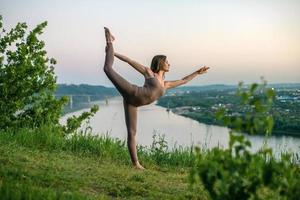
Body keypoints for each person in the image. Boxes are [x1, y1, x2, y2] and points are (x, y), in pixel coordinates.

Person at [103, 27, 210, 169]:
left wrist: (197, 72)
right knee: (108, 69)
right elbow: (130, 61)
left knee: (132, 132)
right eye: (167, 62)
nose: (169, 64)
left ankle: (136, 164)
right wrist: (112, 52)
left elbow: (184, 80)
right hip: (133, 92)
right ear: (160, 63)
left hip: (133, 103)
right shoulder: (149, 73)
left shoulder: (166, 84)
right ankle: (110, 41)